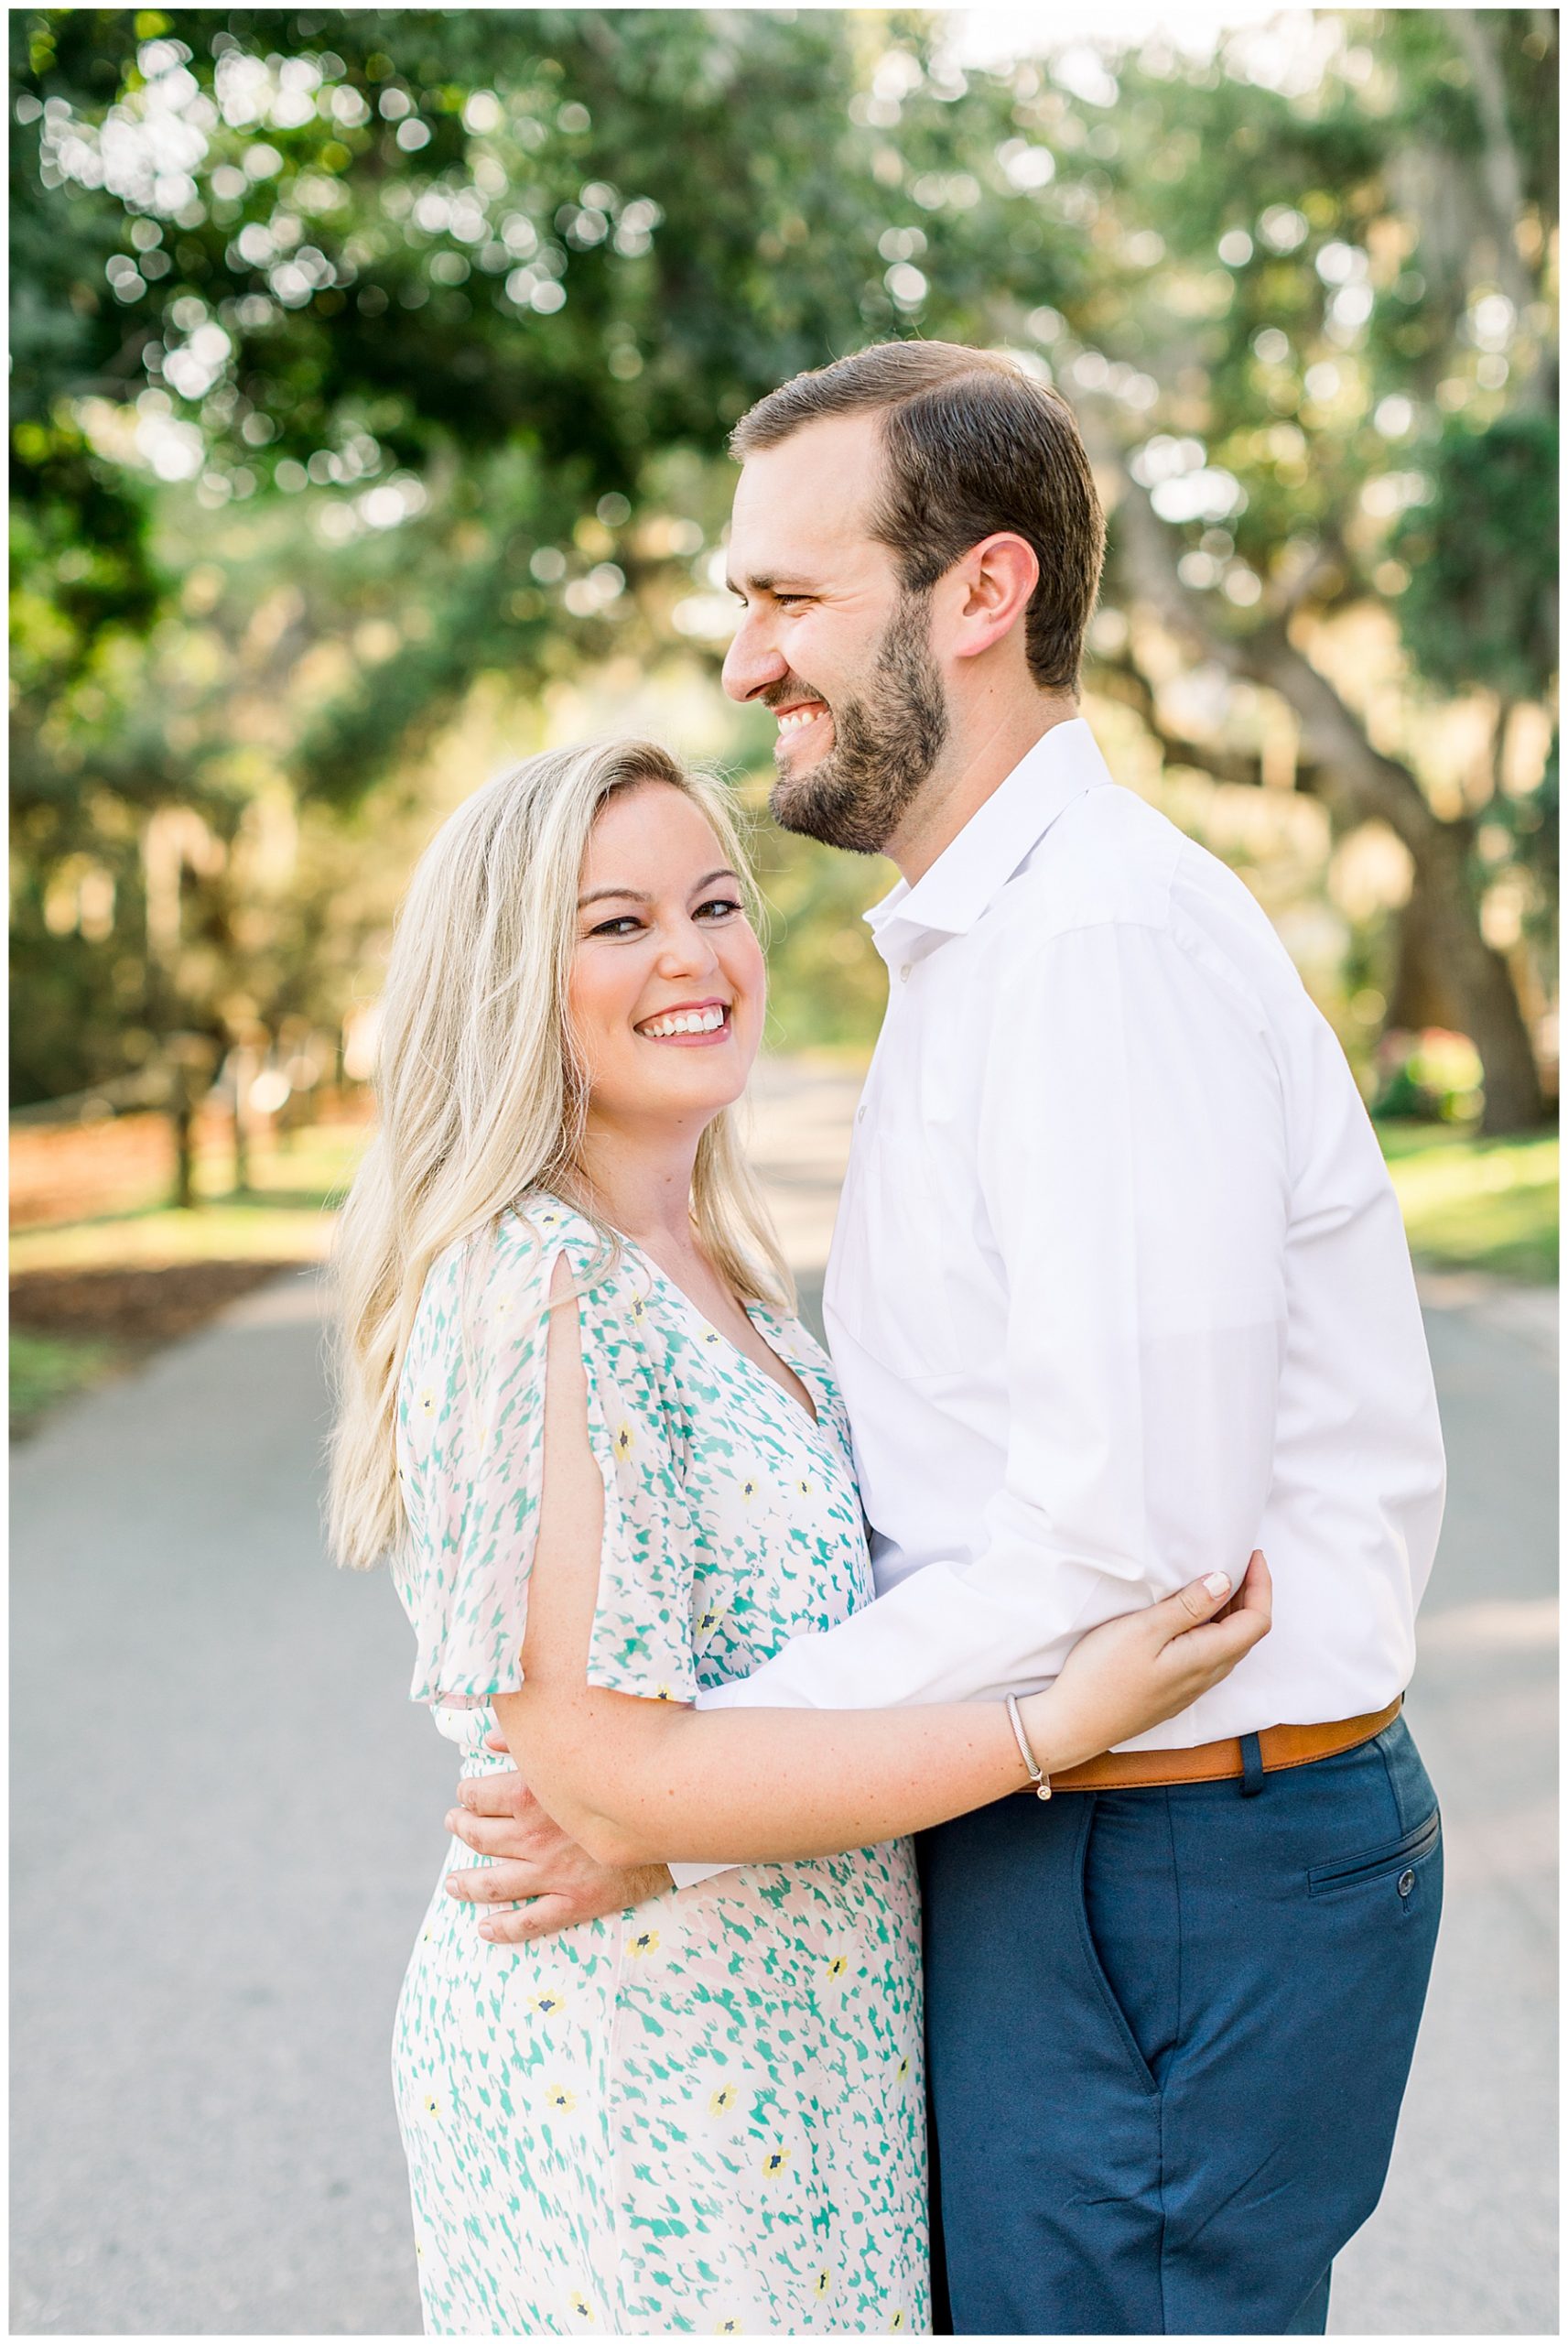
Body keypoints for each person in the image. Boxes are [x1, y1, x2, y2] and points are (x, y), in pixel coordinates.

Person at [445, 345, 1446, 2337]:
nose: (744, 662)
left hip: (1161, 1859)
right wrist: (687, 1791)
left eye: (787, 597)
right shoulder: (987, 949)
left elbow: (1120, 1552)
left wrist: (675, 1789)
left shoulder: (1091, 950)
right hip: (1073, 1837)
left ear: (980, 592)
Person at [329, 733, 1271, 2335]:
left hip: (796, 2049)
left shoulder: (729, 1283)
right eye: (616, 923)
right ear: (506, 980)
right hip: (641, 2078)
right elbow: (607, 1780)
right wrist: (1052, 1725)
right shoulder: (530, 1286)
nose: (692, 956)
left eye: (715, 904)